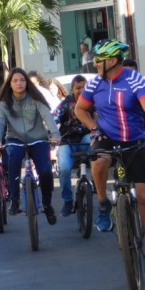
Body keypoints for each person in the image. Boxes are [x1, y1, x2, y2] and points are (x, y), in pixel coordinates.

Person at [74, 39, 145, 273]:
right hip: (106, 136)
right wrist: (93, 128)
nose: (94, 63)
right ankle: (104, 205)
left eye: (99, 60)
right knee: (99, 161)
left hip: (134, 139)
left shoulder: (135, 79)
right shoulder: (95, 84)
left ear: (113, 61)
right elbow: (80, 109)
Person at [0, 67, 60, 225]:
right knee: (14, 159)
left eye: (22, 80)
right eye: (15, 80)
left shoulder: (36, 98)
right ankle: (14, 200)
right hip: (15, 140)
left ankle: (47, 204)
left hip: (38, 140)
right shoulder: (3, 103)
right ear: (9, 84)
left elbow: (47, 117)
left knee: (45, 171)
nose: (19, 83)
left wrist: (55, 134)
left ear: (27, 82)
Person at [54, 75, 93, 216]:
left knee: (96, 147)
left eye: (84, 87)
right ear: (72, 90)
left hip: (85, 139)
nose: (81, 90)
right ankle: (67, 201)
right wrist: (51, 133)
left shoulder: (93, 102)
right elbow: (53, 117)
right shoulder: (66, 103)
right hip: (68, 142)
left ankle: (96, 184)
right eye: (78, 88)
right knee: (64, 168)